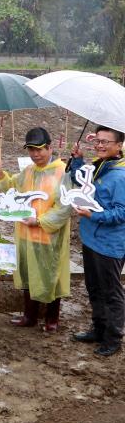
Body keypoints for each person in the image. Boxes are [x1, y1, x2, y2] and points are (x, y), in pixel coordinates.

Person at [0, 128, 71, 331]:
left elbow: (64, 207)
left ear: (49, 148)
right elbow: (13, 187)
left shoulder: (63, 172)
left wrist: (40, 221)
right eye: (31, 150)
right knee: (28, 272)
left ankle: (52, 318)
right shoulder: (29, 170)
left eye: (39, 149)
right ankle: (30, 316)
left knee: (50, 274)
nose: (35, 154)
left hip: (49, 235)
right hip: (26, 234)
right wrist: (2, 177)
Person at [70, 126, 125, 356]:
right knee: (94, 287)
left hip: (110, 244)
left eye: (106, 142)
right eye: (98, 140)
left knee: (111, 291)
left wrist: (93, 215)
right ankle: (99, 328)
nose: (100, 145)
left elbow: (121, 213)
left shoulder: (120, 175)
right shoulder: (99, 166)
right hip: (91, 239)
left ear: (119, 145)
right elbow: (81, 181)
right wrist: (77, 161)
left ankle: (113, 338)